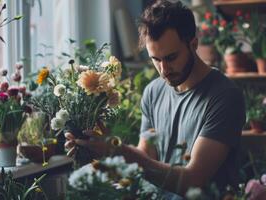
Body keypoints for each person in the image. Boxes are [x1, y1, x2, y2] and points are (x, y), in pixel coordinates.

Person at [65, 0, 245, 198]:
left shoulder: (225, 96)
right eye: (156, 59)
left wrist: (121, 152)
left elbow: (193, 181)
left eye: (171, 57)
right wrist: (99, 147)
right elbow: (147, 158)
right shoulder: (153, 91)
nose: (164, 70)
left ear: (193, 44)